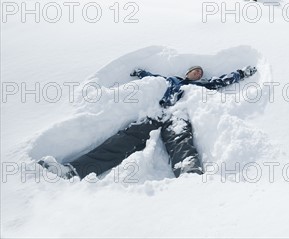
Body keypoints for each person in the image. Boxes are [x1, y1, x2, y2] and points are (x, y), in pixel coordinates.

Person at [38, 65, 257, 180]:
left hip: (177, 114)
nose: (197, 73)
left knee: (181, 140)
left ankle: (190, 175)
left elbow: (221, 81)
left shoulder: (203, 86)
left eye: (200, 72)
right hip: (154, 112)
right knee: (123, 139)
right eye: (194, 70)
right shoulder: (168, 79)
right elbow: (150, 78)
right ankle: (73, 171)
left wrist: (240, 73)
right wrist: (141, 72)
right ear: (187, 71)